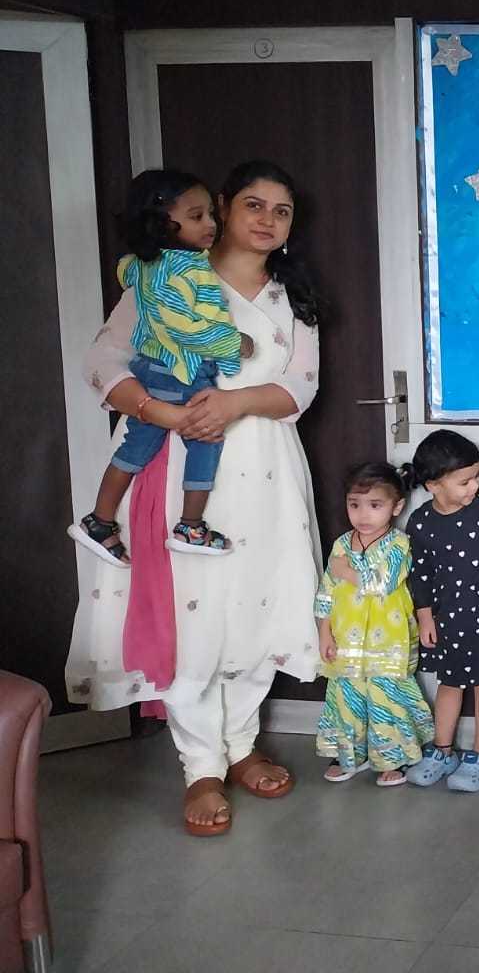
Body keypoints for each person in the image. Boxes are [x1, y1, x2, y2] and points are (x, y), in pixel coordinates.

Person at [67, 159, 323, 837]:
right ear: (222, 207)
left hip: (264, 469)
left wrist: (235, 402)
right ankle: (201, 764)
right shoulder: (164, 278)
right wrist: (161, 411)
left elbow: (301, 387)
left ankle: (242, 745)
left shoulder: (290, 298)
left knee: (257, 604)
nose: (267, 220)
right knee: (192, 612)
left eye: (282, 210)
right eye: (254, 205)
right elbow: (103, 361)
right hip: (176, 466)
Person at [68, 168, 248, 565]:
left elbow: (127, 270)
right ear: (162, 223)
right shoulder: (184, 269)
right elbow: (183, 326)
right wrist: (234, 344)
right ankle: (190, 526)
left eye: (210, 214)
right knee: (204, 440)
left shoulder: (148, 265)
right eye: (197, 216)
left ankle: (99, 521)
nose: (210, 224)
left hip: (158, 371)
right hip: (179, 373)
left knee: (135, 448)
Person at [404, 430, 479, 792]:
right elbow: (419, 574)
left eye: (477, 477)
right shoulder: (421, 522)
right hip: (447, 619)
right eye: (465, 481)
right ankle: (442, 750)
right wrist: (425, 615)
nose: (475, 486)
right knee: (449, 684)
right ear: (433, 485)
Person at [315, 462, 433, 786]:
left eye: (374, 505)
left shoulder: (399, 544)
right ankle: (351, 755)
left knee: (385, 696)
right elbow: (326, 592)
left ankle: (393, 757)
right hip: (347, 641)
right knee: (346, 696)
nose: (363, 515)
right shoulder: (341, 545)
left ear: (396, 507)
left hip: (388, 642)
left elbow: (383, 582)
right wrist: (324, 632)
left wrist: (346, 571)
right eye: (354, 505)